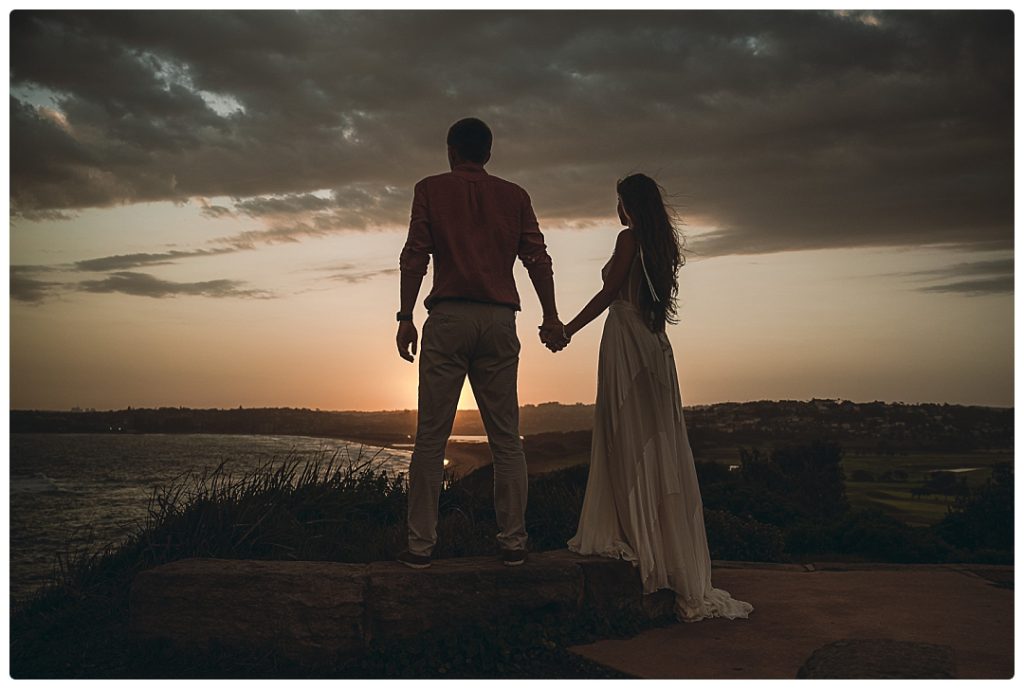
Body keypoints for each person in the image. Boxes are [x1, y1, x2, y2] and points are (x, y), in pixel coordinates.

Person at [544, 173, 753, 623]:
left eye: (618, 201)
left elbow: (608, 293)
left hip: (626, 343)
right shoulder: (663, 245)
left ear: (628, 204)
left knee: (627, 437)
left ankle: (638, 537)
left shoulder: (628, 239)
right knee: (655, 442)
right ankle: (657, 541)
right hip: (655, 344)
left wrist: (566, 330)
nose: (617, 210)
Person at [395, 117, 567, 569]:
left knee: (431, 439)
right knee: (507, 439)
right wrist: (550, 316)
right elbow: (537, 258)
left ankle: (419, 548)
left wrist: (406, 315)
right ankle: (513, 542)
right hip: (498, 319)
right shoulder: (515, 197)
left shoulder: (430, 189)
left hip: (448, 316)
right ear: (487, 154)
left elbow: (415, 255)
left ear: (451, 151)